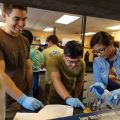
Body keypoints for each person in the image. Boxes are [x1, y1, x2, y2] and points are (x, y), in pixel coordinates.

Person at [0, 2, 44, 113]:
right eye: (17, 19)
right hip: (5, 102)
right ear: (4, 15)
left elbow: (28, 68)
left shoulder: (24, 40)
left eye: (24, 19)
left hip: (22, 97)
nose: (21, 24)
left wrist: (29, 92)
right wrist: (22, 98)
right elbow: (0, 74)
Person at [46, 40, 85, 109]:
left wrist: (75, 97)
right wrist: (68, 98)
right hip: (56, 97)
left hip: (72, 94)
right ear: (64, 56)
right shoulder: (53, 60)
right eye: (71, 61)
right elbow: (56, 80)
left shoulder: (82, 63)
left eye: (77, 61)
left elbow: (79, 81)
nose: (73, 65)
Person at [90, 31, 120, 107]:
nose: (99, 54)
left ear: (111, 44)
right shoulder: (97, 61)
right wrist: (99, 88)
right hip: (107, 100)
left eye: (101, 50)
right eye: (95, 51)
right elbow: (98, 81)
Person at [22, 30, 44, 98]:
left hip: (27, 72)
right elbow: (42, 63)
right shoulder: (39, 52)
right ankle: (33, 95)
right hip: (36, 70)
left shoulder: (27, 52)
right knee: (35, 84)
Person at [42, 35, 63, 104]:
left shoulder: (45, 51)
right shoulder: (63, 51)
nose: (47, 44)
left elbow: (42, 65)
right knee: (59, 96)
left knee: (48, 97)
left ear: (50, 41)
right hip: (61, 79)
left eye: (47, 42)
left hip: (49, 79)